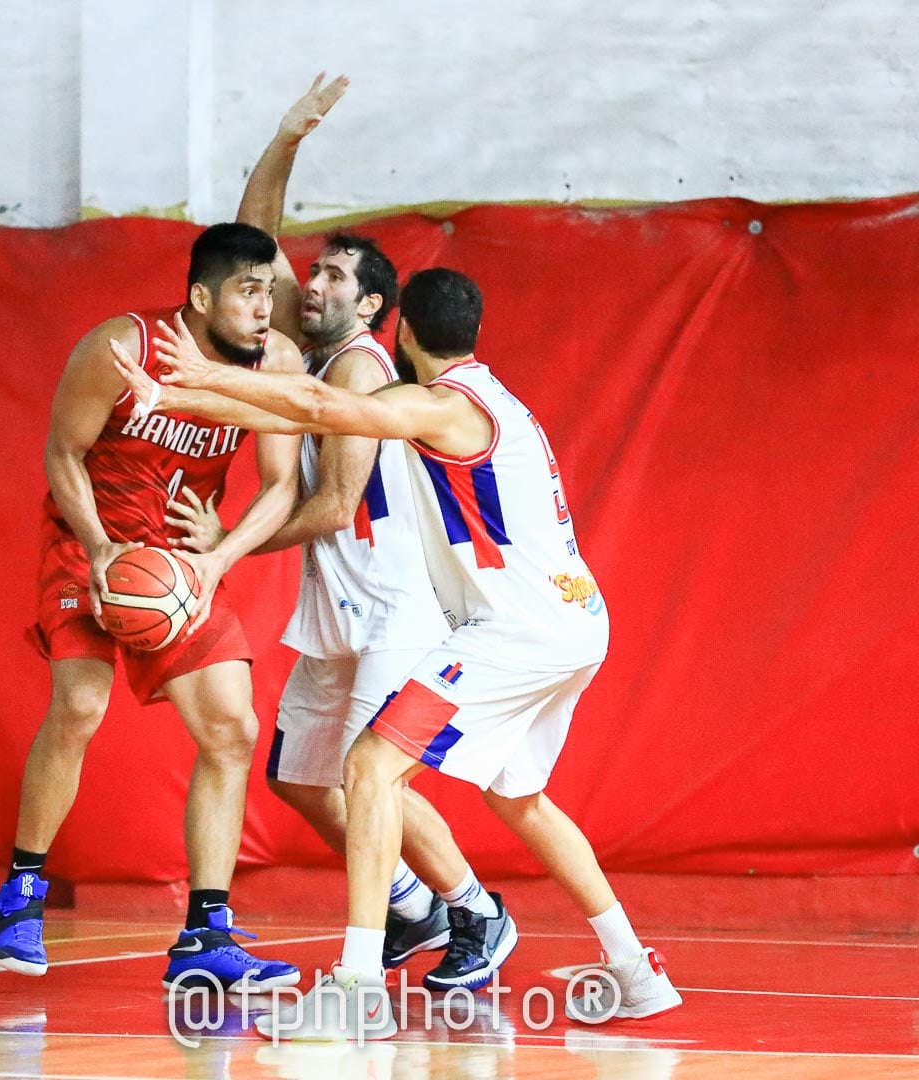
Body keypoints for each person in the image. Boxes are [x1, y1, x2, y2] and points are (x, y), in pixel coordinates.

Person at [113, 267, 684, 1038]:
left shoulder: (439, 405)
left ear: (403, 330)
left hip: (517, 630)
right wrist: (181, 396)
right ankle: (635, 972)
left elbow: (318, 404)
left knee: (369, 767)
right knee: (521, 799)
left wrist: (200, 374)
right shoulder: (494, 399)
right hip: (576, 620)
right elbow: (304, 405)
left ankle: (358, 988)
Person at [143, 77, 520, 984]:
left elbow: (333, 506)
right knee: (298, 778)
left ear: (370, 308)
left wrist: (224, 547)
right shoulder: (309, 346)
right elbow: (254, 245)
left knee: (368, 775)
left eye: (332, 278)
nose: (306, 284)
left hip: (395, 604)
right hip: (338, 604)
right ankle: (413, 906)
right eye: (310, 275)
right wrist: (285, 141)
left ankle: (474, 910)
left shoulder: (357, 368)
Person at [0, 221, 303, 996]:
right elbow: (64, 451)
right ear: (201, 298)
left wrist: (215, 560)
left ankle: (206, 933)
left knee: (233, 727)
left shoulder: (278, 363)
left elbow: (283, 485)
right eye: (248, 291)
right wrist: (95, 547)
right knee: (81, 705)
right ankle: (21, 892)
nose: (266, 308)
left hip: (179, 561)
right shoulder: (121, 348)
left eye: (271, 291)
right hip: (87, 541)